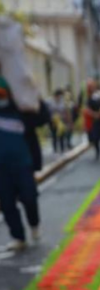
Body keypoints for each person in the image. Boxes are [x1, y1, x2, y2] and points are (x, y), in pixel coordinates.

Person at [0, 74, 41, 251]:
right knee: (7, 203)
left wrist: (31, 93)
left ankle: (34, 224)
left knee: (29, 197)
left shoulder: (21, 111)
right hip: (2, 169)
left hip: (23, 164)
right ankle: (18, 237)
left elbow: (42, 117)